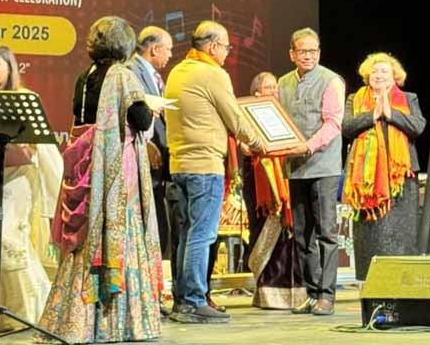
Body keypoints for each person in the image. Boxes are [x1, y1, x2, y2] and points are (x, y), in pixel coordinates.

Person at [38, 16, 162, 343]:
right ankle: (115, 322)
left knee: (86, 239)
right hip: (113, 169)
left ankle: (72, 319)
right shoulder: (122, 76)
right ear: (125, 44)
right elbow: (139, 118)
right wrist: (152, 109)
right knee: (117, 233)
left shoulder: (85, 76)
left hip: (85, 162)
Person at [165, 20, 265, 324]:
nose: (227, 53)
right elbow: (235, 118)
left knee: (187, 235)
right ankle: (195, 300)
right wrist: (259, 142)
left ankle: (183, 302)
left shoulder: (178, 71)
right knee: (202, 235)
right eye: (225, 47)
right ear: (212, 46)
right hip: (204, 166)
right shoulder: (212, 74)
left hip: (179, 165)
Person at [0, 45, 64, 325]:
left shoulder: (24, 98)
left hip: (18, 177)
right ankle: (8, 314)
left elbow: (40, 142)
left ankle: (36, 309)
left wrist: (26, 143)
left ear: (10, 67)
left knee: (9, 238)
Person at [277, 28, 345, 316]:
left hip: (323, 166)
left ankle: (327, 295)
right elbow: (278, 119)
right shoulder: (283, 82)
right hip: (296, 168)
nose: (308, 56)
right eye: (303, 51)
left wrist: (307, 146)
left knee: (326, 232)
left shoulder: (331, 81)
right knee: (302, 234)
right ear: (292, 54)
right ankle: (312, 291)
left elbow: (333, 123)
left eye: (313, 51)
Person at [342, 53, 426, 280]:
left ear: (394, 76)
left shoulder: (408, 98)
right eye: (375, 71)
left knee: (399, 235)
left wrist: (391, 114)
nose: (378, 75)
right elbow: (347, 127)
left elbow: (418, 126)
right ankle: (371, 281)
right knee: (371, 235)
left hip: (401, 178)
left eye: (384, 71)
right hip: (366, 181)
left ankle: (403, 282)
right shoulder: (355, 99)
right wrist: (373, 115)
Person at [242, 72, 307, 309]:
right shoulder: (246, 114)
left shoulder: (284, 115)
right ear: (257, 92)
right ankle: (266, 295)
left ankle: (294, 294)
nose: (274, 91)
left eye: (276, 87)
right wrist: (245, 144)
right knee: (263, 229)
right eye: (269, 87)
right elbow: (242, 142)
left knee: (289, 235)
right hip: (261, 183)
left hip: (286, 178)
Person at [126, 26, 173, 318]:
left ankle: (153, 294)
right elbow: (133, 115)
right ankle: (145, 297)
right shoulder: (131, 71)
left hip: (158, 164)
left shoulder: (152, 74)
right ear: (154, 48)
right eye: (168, 49)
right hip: (141, 158)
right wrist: (148, 144)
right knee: (145, 228)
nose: (170, 55)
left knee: (158, 229)